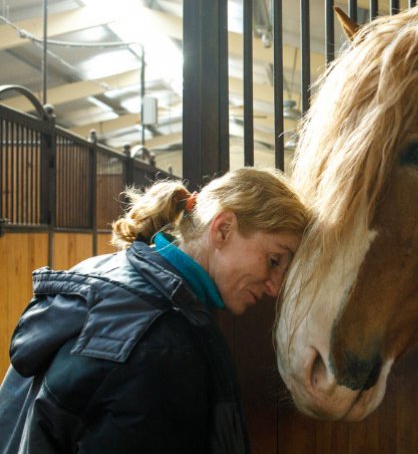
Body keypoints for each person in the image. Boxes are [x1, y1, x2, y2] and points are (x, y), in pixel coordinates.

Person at [0, 167, 310, 454]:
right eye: (274, 260)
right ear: (224, 228)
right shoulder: (164, 344)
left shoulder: (102, 271)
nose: (276, 286)